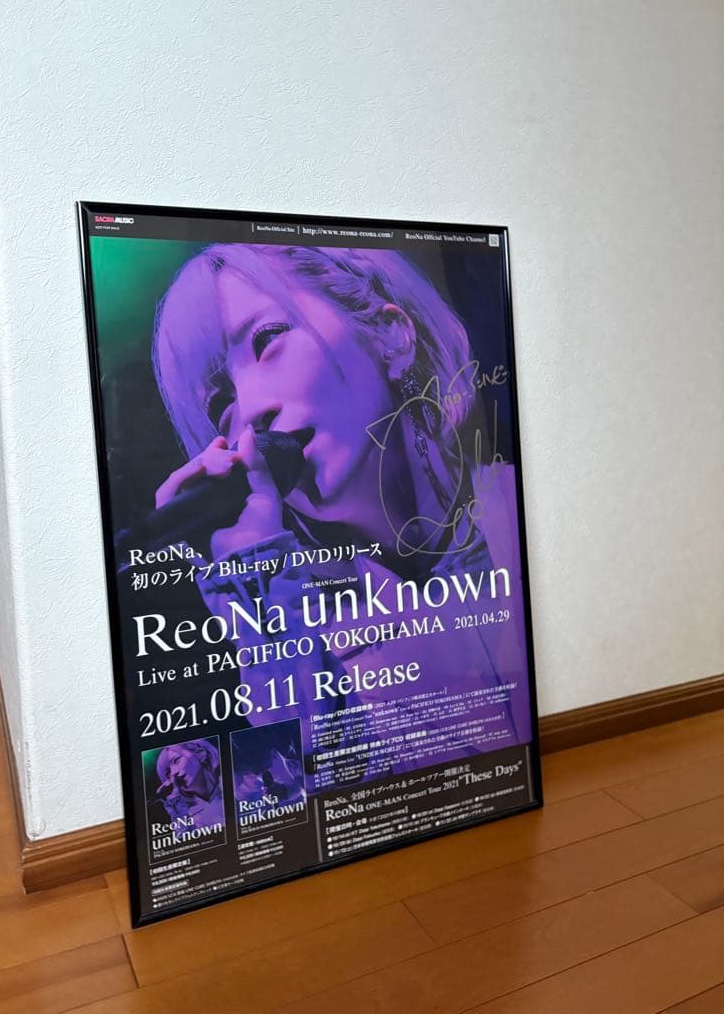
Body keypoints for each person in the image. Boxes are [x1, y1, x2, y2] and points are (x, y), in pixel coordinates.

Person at [152, 244, 531, 792]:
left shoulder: (526, 515)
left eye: (267, 339)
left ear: (390, 336)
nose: (252, 410)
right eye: (220, 403)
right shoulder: (300, 630)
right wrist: (250, 575)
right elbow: (329, 803)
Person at [153, 739, 224, 828]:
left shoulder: (236, 779)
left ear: (201, 753)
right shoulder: (184, 813)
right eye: (168, 773)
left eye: (177, 760)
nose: (174, 772)